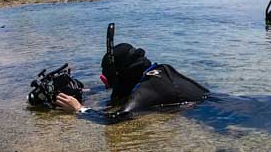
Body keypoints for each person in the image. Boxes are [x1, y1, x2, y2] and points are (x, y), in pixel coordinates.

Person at [52, 24, 208, 121]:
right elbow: (124, 86)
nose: (108, 86)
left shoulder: (146, 90)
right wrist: (85, 91)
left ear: (121, 74)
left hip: (214, 114)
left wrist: (79, 109)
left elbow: (114, 119)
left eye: (107, 82)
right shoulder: (158, 72)